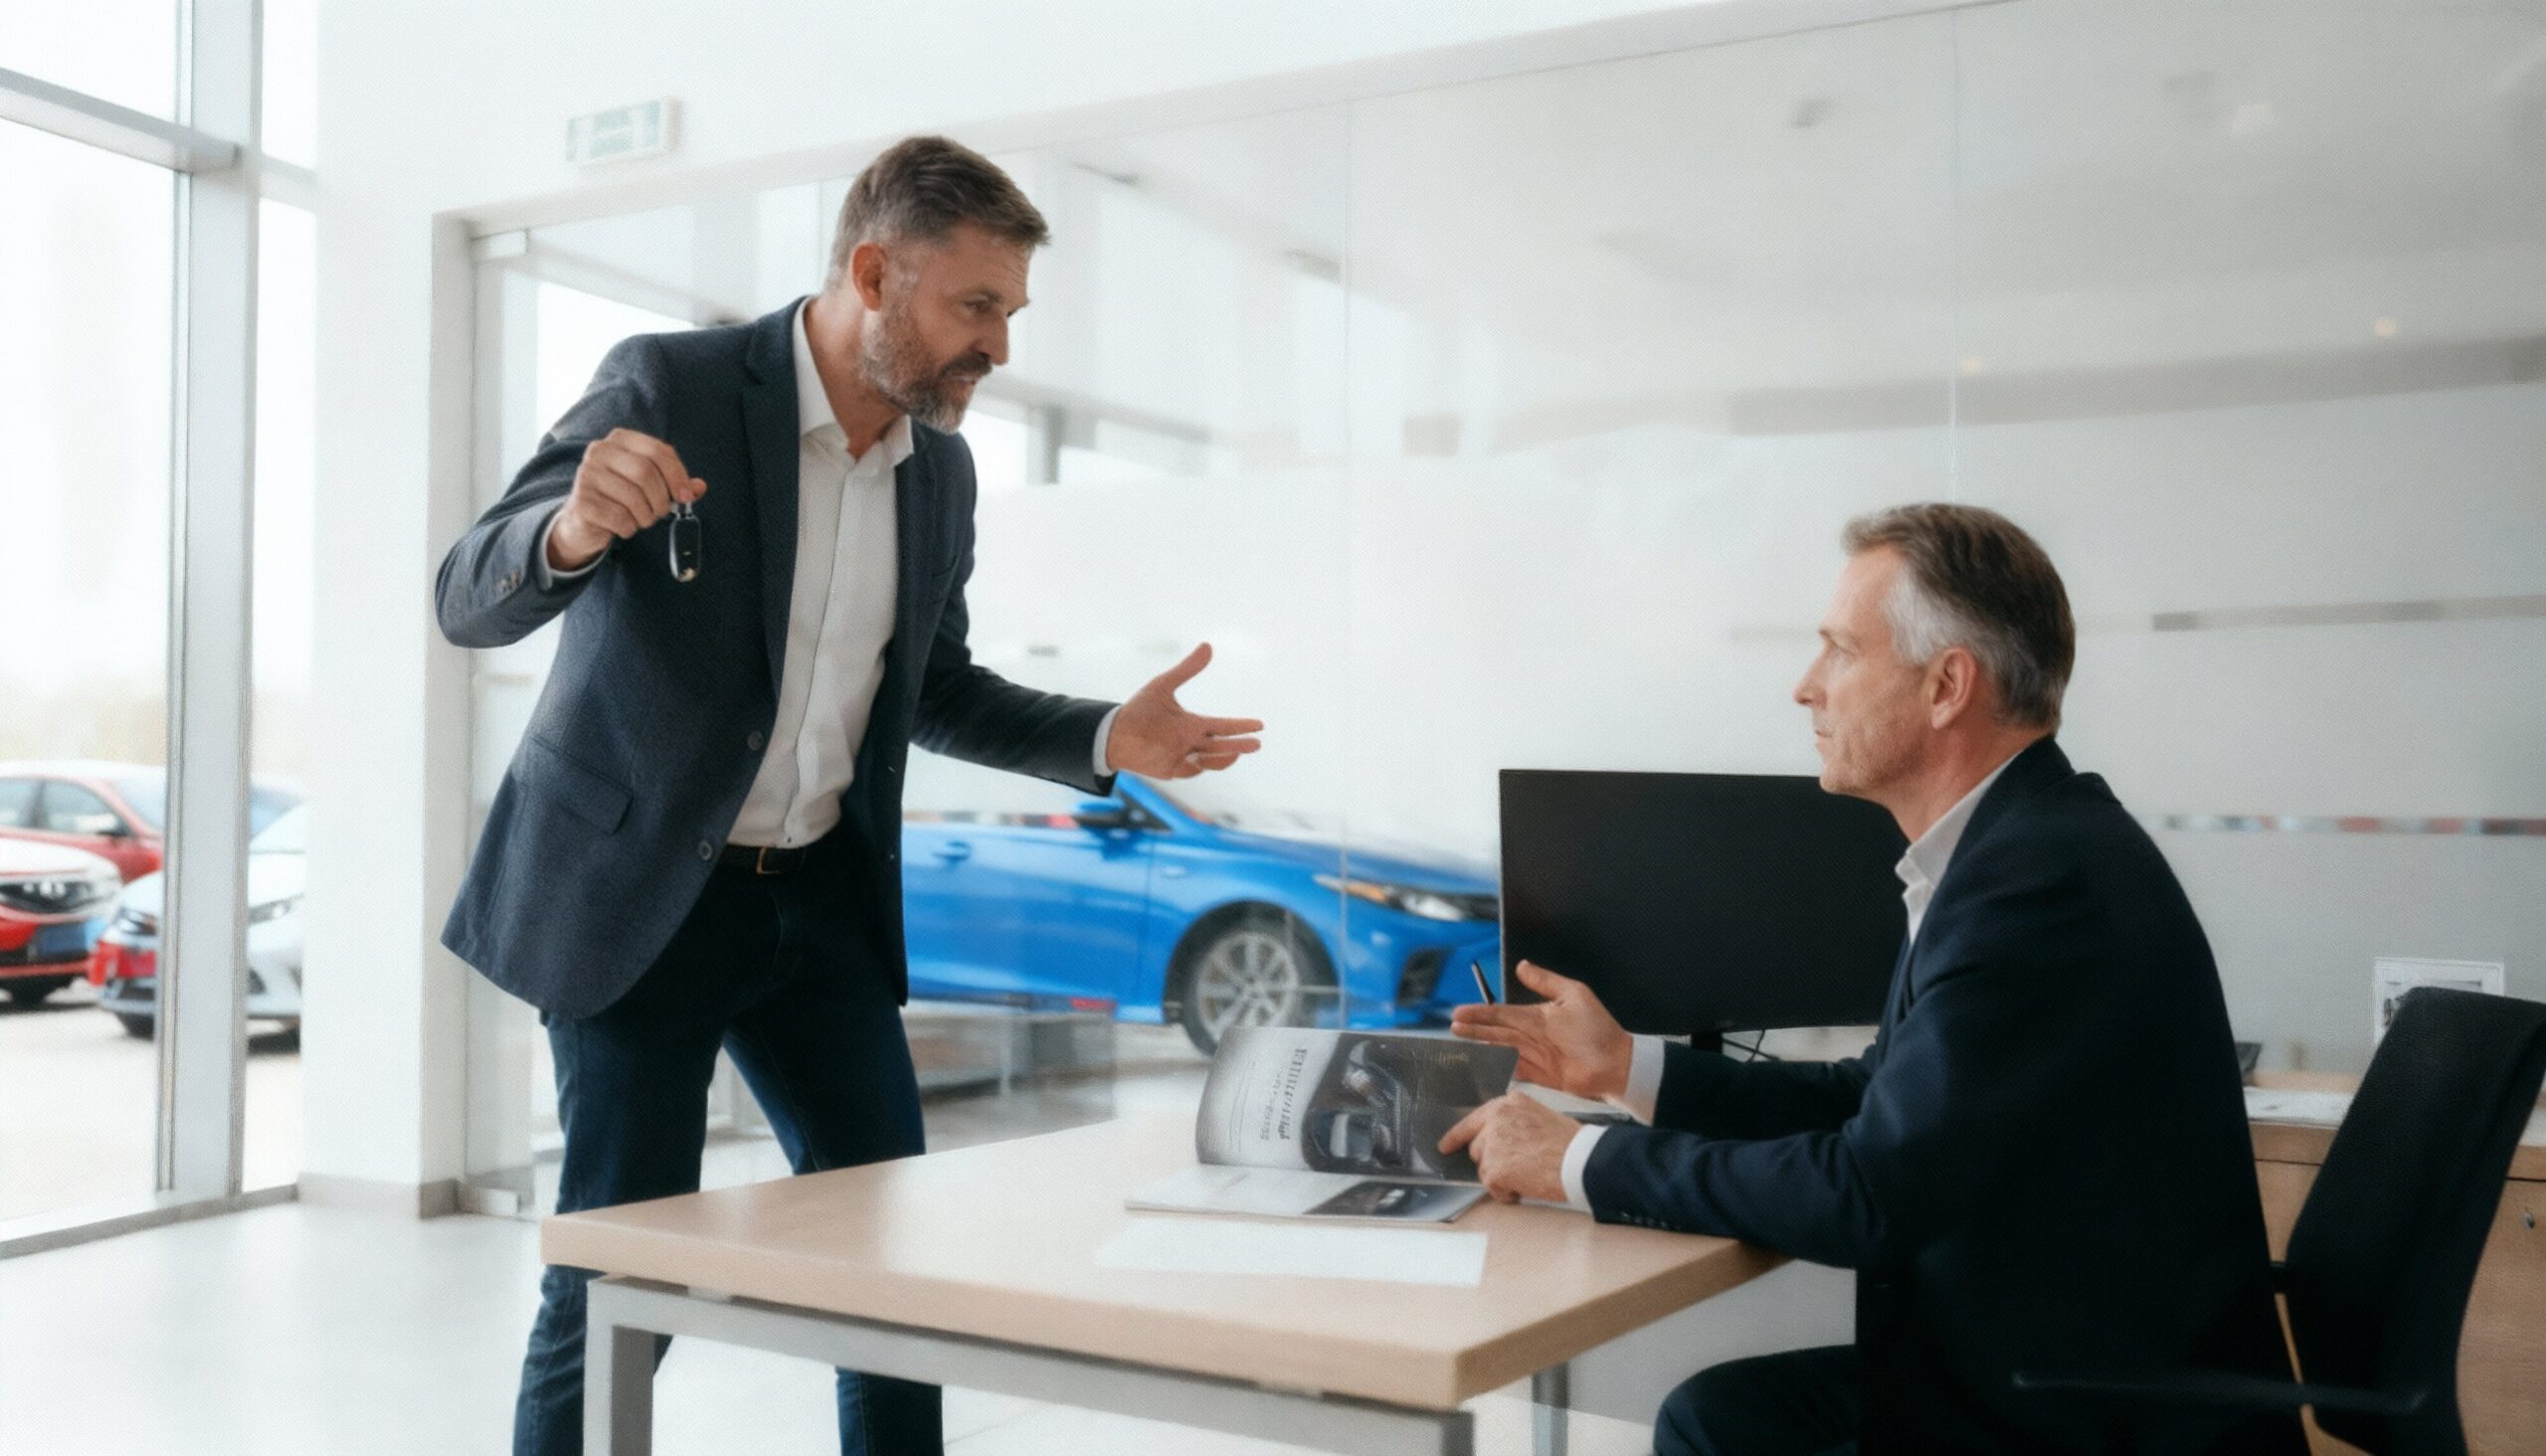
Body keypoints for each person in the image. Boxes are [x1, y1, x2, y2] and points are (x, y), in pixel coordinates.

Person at [436, 135, 1265, 1456]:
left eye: (1009, 312)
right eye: (975, 306)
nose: (998, 346)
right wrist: (571, 531)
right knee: (615, 1283)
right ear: (876, 274)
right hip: (641, 900)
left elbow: (932, 684)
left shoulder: (940, 471)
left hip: (816, 904)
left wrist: (1110, 732)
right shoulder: (674, 385)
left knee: (896, 1273)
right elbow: (466, 594)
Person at [1442, 504, 2302, 1455]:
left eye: (1841, 652)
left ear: (1946, 687)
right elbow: (1873, 1103)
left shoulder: (2036, 884)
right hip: (2051, 1371)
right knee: (1720, 1416)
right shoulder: (2020, 847)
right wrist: (1625, 1071)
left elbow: (1870, 1192)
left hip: (2087, 1415)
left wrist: (1576, 1161)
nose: (1807, 688)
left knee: (1720, 1424)